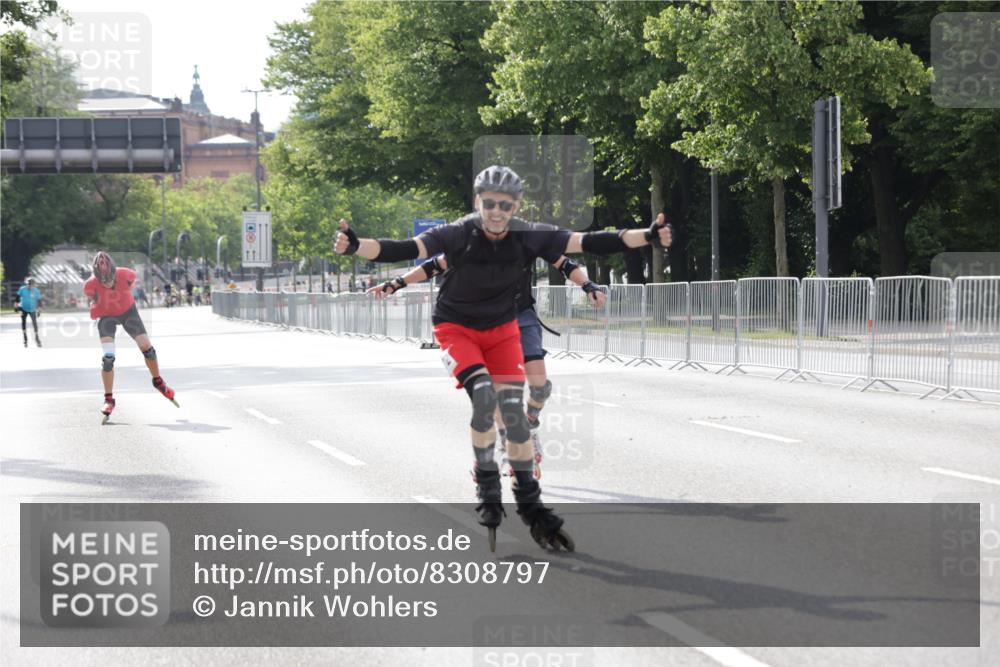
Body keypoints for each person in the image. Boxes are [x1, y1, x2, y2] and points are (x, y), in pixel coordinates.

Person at [336, 165, 671, 550]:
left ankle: (530, 503)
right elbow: (404, 249)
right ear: (478, 202)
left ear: (516, 207)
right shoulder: (458, 233)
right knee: (483, 396)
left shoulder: (531, 235)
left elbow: (589, 242)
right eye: (490, 204)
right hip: (456, 328)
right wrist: (356, 245)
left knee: (513, 418)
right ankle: (485, 478)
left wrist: (647, 236)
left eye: (505, 206)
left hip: (502, 331)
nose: (497, 212)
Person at [370, 252, 607, 480]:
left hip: (521, 316)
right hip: (489, 323)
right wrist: (396, 283)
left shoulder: (528, 239)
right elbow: (434, 265)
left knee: (540, 386)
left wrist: (588, 286)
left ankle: (531, 420)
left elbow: (564, 264)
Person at [84, 251, 178, 423]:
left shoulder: (126, 274)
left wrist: (118, 297)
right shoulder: (90, 285)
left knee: (147, 349)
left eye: (110, 280)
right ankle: (108, 399)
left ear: (115, 273)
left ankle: (158, 381)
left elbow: (132, 286)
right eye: (102, 282)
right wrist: (96, 307)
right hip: (107, 317)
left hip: (128, 313)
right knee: (108, 359)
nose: (107, 283)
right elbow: (93, 298)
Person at [15, 277, 43, 347]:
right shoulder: (22, 289)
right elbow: (17, 298)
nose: (29, 286)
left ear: (34, 285)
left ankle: (37, 338)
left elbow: (39, 301)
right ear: (26, 284)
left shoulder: (36, 291)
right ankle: (25, 338)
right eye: (28, 284)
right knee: (23, 322)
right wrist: (16, 307)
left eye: (31, 285)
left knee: (34, 323)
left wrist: (39, 310)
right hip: (23, 308)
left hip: (32, 309)